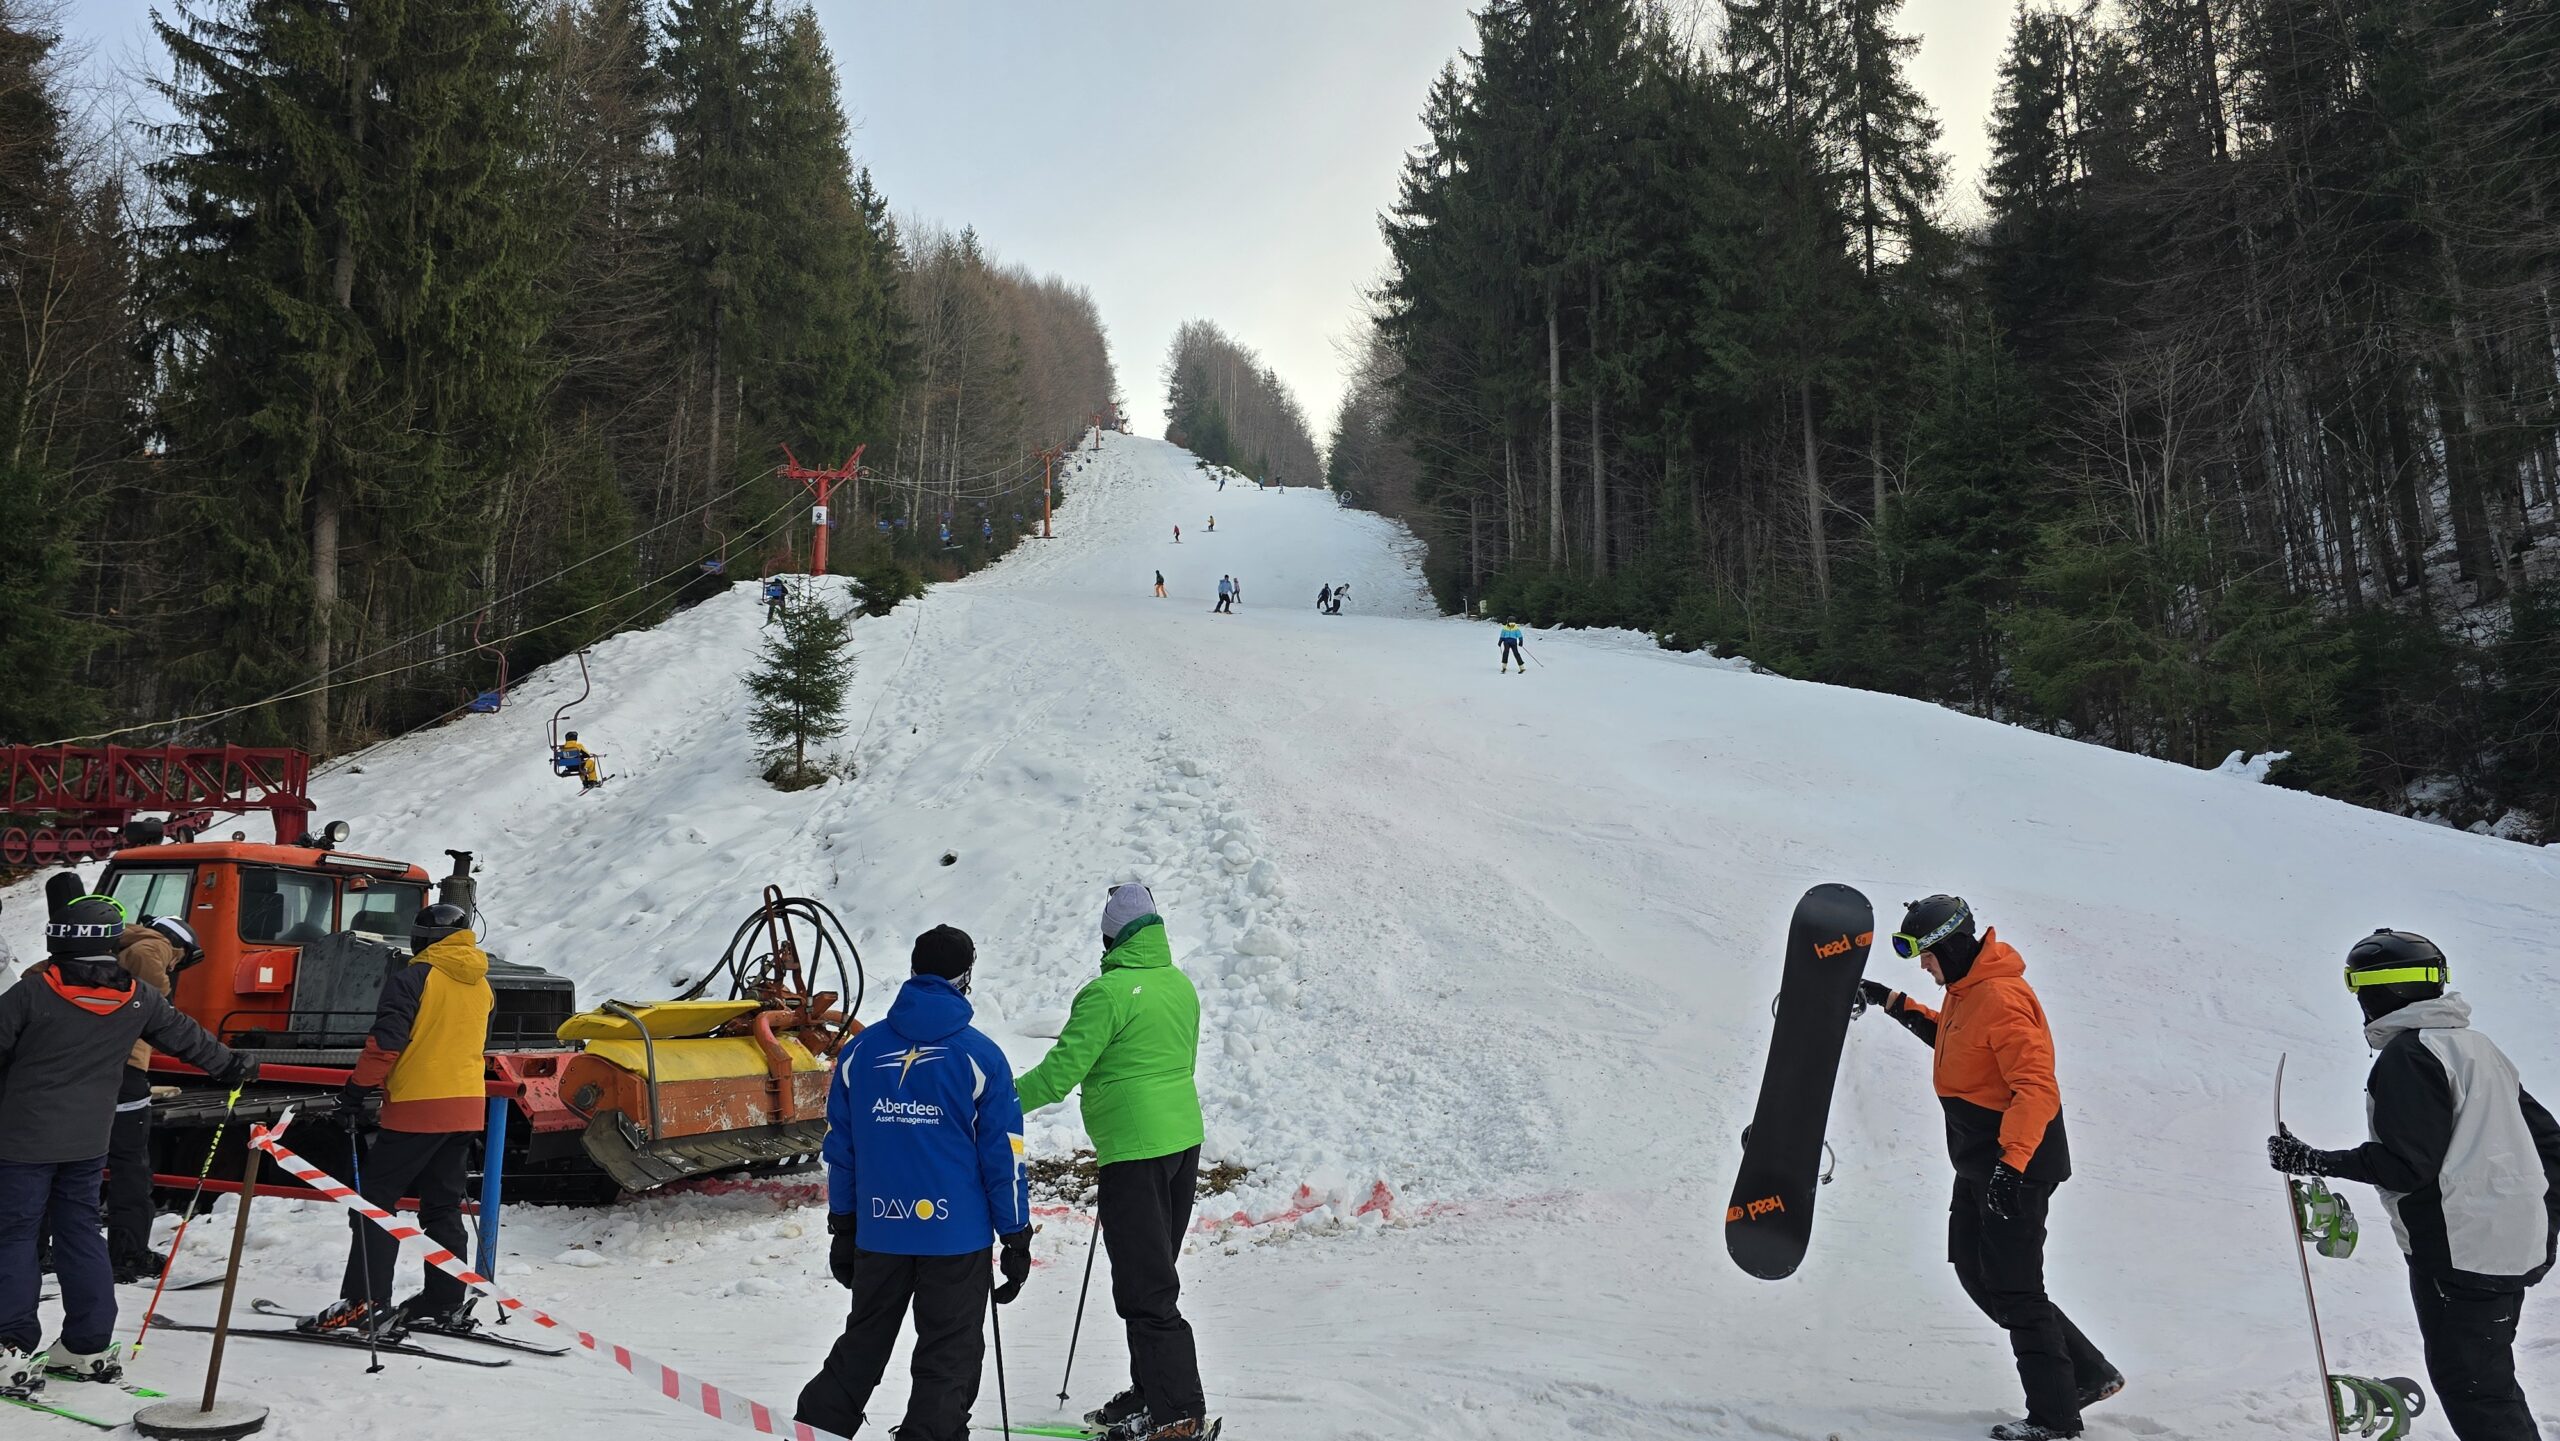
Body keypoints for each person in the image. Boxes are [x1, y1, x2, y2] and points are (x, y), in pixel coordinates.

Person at [2268, 931, 2560, 1441]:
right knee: (2488, 1382)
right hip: (2509, 1246)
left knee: (2474, 1389)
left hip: (2461, 1253)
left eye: (2358, 986)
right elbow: (2550, 1142)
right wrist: (2540, 1223)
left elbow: (2406, 1166)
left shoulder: (2410, 1055)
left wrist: (2312, 1160)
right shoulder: (2475, 1047)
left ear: (2378, 992)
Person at [1860, 896, 2117, 1441]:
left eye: (1925, 956)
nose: (1923, 967)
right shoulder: (1964, 990)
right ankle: (2087, 1375)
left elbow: (2037, 1088)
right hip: (1983, 1161)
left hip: (2015, 1163)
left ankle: (2056, 1418)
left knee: (2017, 1289)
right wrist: (1890, 1001)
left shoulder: (2000, 996)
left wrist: (2012, 1167)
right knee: (1974, 1269)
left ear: (1949, 945)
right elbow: (1955, 1046)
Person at [1, 895, 249, 1395]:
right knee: (82, 1233)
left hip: (21, 1141)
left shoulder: (30, 994)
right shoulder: (139, 996)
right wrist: (233, 1066)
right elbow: (189, 1039)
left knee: (14, 1239)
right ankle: (87, 1344)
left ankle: (11, 1346)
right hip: (89, 1139)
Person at [797, 926, 1029, 1441]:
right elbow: (1004, 1155)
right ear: (965, 975)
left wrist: (844, 1222)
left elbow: (842, 1145)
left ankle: (817, 1427)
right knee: (949, 1353)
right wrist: (1016, 1234)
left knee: (865, 1339)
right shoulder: (981, 1057)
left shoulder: (861, 1051)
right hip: (956, 1237)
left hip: (881, 1229)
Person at [1017, 885, 1214, 1441]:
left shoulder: (1106, 993)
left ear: (1110, 938)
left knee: (1145, 1288)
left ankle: (1178, 1411)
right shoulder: (1179, 985)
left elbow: (1058, 1076)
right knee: (1151, 1275)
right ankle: (1152, 1390)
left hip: (1135, 1151)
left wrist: (991, 1101)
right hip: (1182, 1141)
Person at [304, 902, 493, 1338]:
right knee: (443, 1208)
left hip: (418, 1106)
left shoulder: (414, 978)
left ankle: (363, 1302)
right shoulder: (481, 983)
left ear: (421, 938)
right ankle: (444, 1302)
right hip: (466, 1104)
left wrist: (354, 1092)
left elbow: (385, 1045)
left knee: (372, 1204)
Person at [104, 916, 202, 1282]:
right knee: (132, 1167)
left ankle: (42, 1248)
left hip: (96, 1063)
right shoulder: (155, 945)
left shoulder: (117, 944)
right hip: (124, 1066)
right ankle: (127, 1254)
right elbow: (151, 986)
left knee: (69, 1165)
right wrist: (161, 1005)